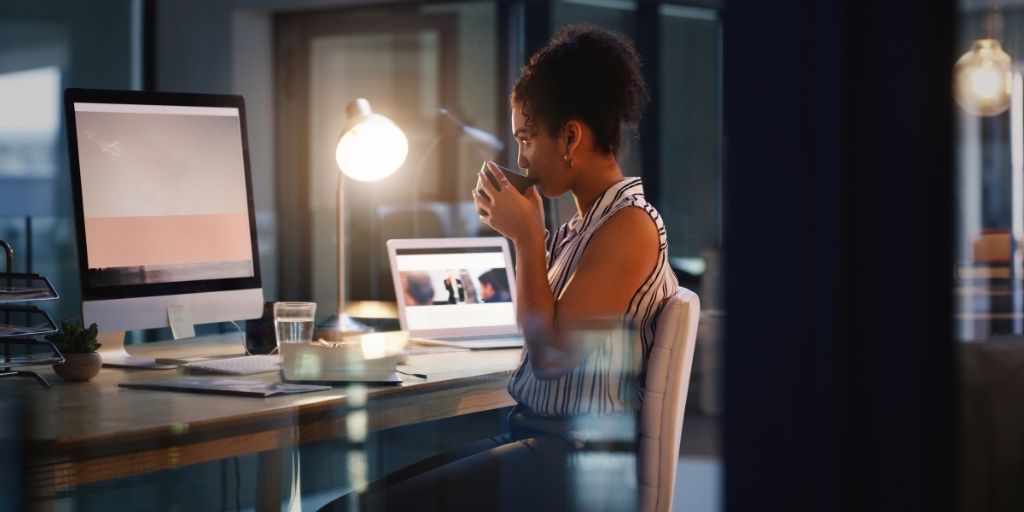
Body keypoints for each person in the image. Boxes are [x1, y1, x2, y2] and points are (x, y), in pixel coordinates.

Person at [339, 24, 679, 512]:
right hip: (536, 438)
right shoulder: (582, 229)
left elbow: (552, 357)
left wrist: (525, 238)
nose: (520, 157)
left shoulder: (629, 226)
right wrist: (534, 239)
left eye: (525, 138)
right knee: (359, 500)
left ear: (569, 136)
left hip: (576, 460)